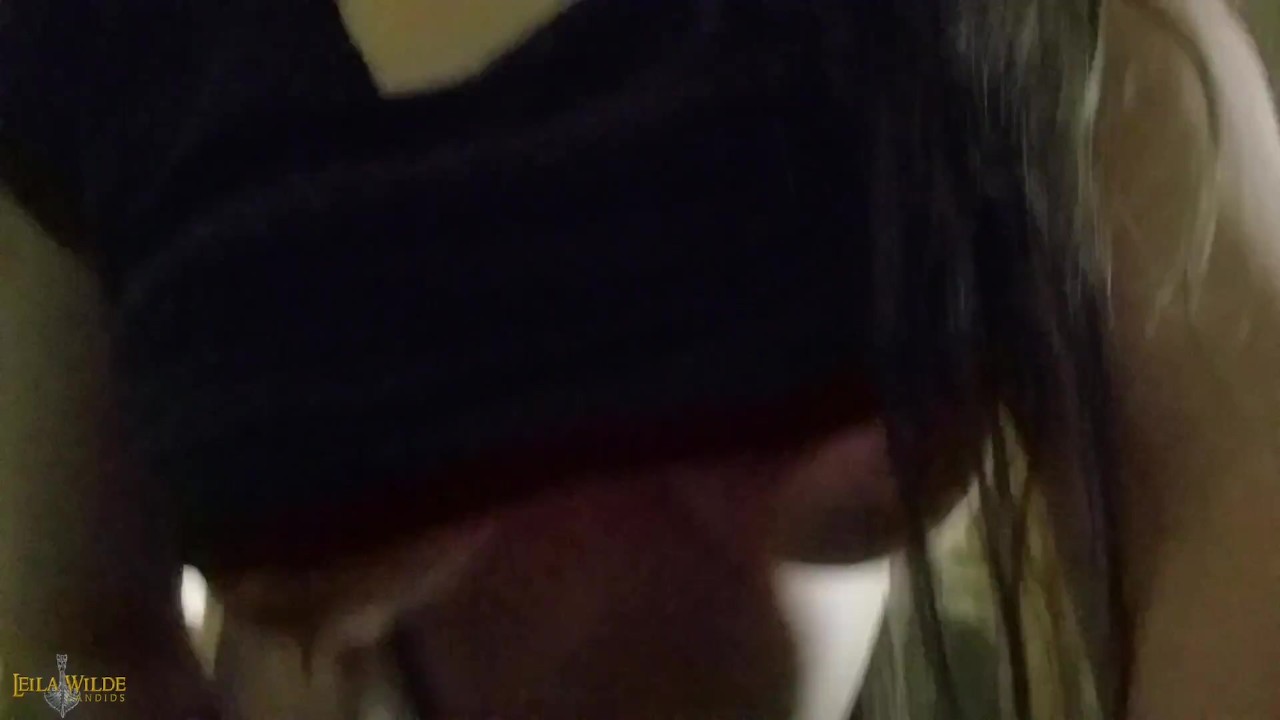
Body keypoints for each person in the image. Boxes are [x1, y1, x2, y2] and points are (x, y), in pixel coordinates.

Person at [1, 0, 1277, 718]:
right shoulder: (102, 55)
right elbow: (46, 659)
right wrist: (82, 705)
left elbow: (1237, 508)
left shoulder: (1022, 41)